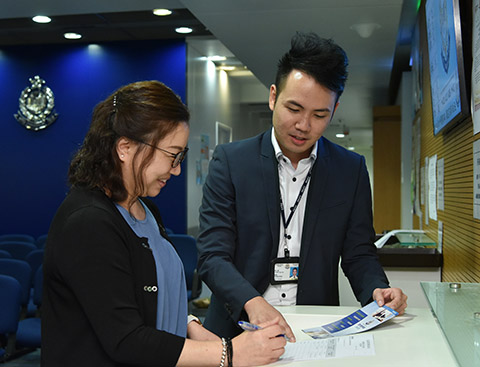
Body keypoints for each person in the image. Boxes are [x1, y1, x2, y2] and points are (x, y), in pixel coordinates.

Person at [42, 80, 286, 367]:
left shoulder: (145, 209)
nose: (177, 169)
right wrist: (230, 354)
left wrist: (189, 324)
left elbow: (143, 296)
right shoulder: (88, 223)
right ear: (125, 147)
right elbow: (126, 339)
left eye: (180, 157)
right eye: (172, 155)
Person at [197, 32, 408, 340]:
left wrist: (378, 290)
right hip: (238, 327)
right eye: (294, 109)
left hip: (313, 329)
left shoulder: (350, 170)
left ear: (334, 111)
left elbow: (358, 253)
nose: (304, 125)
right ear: (273, 97)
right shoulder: (231, 162)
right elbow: (212, 255)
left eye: (319, 115)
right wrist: (252, 302)